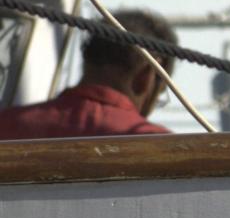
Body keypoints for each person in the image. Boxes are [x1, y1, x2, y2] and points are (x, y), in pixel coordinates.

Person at [0, 9, 176, 140]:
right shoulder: (158, 144)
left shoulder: (7, 124)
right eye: (158, 95)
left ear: (87, 59)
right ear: (146, 76)